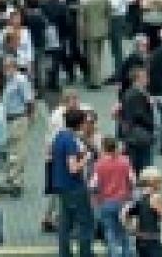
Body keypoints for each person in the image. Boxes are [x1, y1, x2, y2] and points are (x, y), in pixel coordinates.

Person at [50, 106, 95, 257]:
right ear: (80, 124)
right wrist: (86, 159)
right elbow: (73, 168)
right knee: (85, 222)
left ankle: (64, 253)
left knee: (65, 223)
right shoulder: (70, 141)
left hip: (61, 185)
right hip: (74, 186)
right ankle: (85, 252)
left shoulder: (58, 136)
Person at [92, 137, 135, 257]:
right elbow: (132, 180)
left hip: (106, 202)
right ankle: (127, 253)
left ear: (104, 148)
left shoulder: (99, 164)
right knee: (124, 230)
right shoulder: (125, 161)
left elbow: (93, 184)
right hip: (123, 201)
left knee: (109, 230)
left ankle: (114, 253)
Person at [125, 167, 162, 257]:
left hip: (140, 238)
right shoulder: (155, 198)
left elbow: (125, 213)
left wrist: (130, 228)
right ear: (154, 183)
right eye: (160, 182)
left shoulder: (139, 197)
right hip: (153, 238)